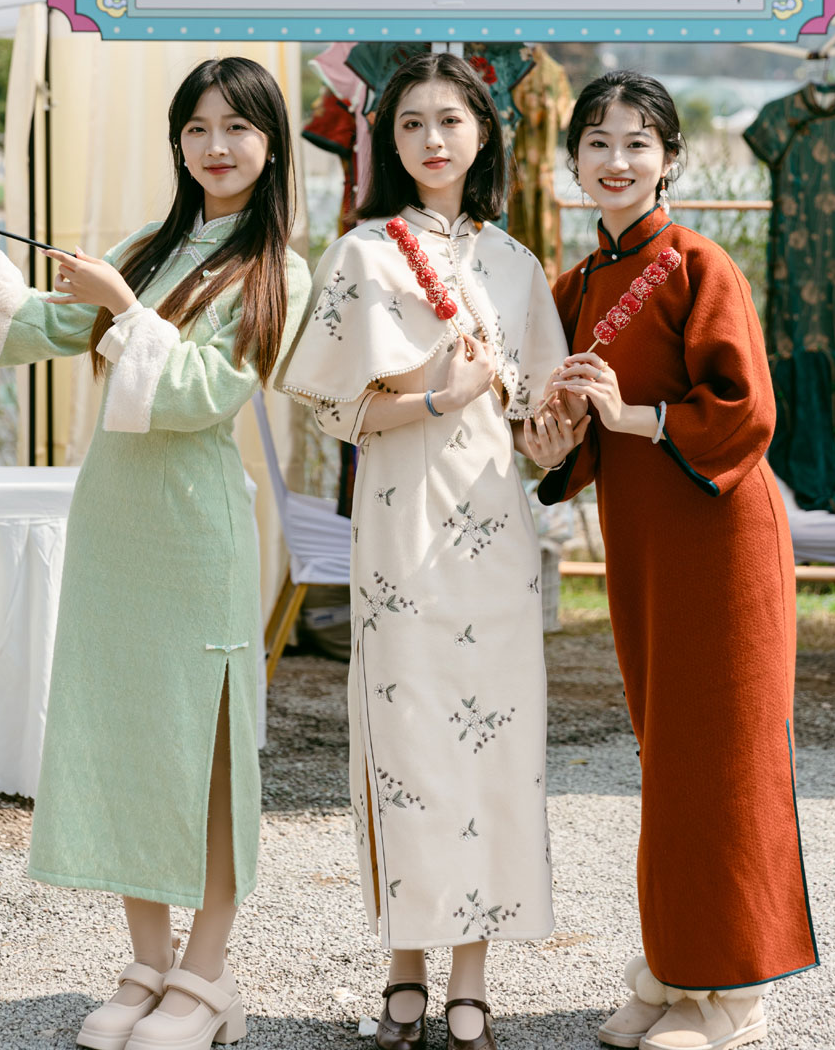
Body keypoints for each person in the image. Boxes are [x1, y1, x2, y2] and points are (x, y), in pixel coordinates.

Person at [0, 57, 311, 1050]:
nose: (216, 146)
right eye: (196, 127)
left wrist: (124, 305)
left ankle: (207, 974)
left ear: (271, 144)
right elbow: (54, 326)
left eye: (237, 127)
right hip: (115, 519)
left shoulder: (280, 269)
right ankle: (148, 959)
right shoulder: (151, 244)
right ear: (178, 141)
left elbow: (205, 396)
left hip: (195, 530)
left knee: (207, 747)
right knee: (130, 737)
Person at [280, 52, 578, 1050]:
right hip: (401, 533)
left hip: (496, 535)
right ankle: (403, 963)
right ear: (388, 140)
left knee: (495, 746)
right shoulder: (363, 253)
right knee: (406, 749)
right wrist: (438, 397)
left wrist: (554, 434)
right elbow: (328, 403)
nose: (433, 138)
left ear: (485, 133)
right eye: (411, 123)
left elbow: (539, 416)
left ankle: (472, 975)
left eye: (451, 120)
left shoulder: (517, 264)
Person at [540, 71, 818, 1050]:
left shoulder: (698, 265)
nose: (615, 161)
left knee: (724, 761)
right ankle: (669, 965)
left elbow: (746, 410)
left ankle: (731, 994)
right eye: (597, 143)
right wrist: (547, 428)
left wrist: (634, 416)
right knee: (665, 760)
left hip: (722, 541)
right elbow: (566, 441)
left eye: (636, 142)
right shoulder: (572, 285)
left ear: (669, 156)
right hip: (644, 546)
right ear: (570, 160)